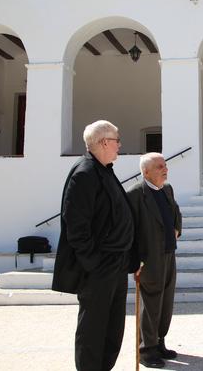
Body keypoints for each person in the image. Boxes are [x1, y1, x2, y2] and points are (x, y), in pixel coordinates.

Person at [52, 120, 139, 371]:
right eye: (117, 140)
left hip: (117, 264)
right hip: (100, 267)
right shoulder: (85, 174)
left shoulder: (103, 169)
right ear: (103, 143)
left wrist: (131, 259)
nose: (119, 145)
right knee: (93, 331)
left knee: (112, 329)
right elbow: (76, 228)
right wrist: (95, 264)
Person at [127, 153, 182, 369]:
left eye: (165, 165)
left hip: (169, 253)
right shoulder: (135, 194)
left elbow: (176, 212)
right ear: (146, 172)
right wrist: (134, 261)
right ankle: (146, 350)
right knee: (150, 305)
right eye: (159, 166)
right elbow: (129, 229)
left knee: (165, 302)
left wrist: (177, 228)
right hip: (148, 259)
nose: (165, 169)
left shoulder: (167, 189)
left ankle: (159, 342)